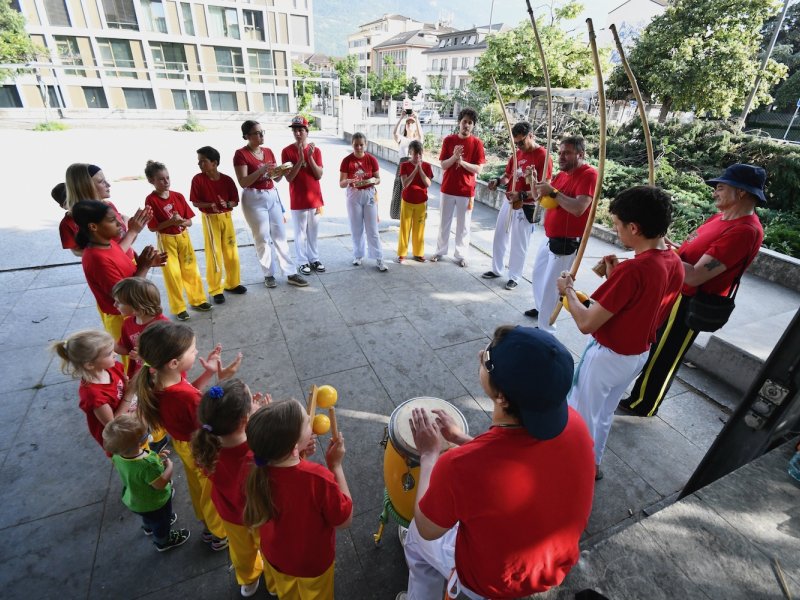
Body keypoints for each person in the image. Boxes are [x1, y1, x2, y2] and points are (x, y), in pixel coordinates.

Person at [397, 325, 595, 600]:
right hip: (552, 565)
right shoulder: (576, 424)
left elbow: (427, 528)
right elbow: (507, 462)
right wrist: (461, 438)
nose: (481, 354)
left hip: (491, 582)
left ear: (501, 397)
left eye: (487, 360)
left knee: (416, 539)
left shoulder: (458, 466)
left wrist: (430, 454)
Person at [556, 186, 684, 480]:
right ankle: (592, 463)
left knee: (582, 415)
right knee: (602, 414)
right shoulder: (673, 261)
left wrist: (568, 292)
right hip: (636, 354)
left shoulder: (635, 270)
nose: (617, 231)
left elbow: (587, 322)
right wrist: (614, 278)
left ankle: (573, 473)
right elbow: (642, 304)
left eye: (617, 225)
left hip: (609, 357)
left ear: (635, 227)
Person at [619, 164, 766, 417]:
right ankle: (640, 396)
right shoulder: (721, 218)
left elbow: (697, 275)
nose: (714, 193)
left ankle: (644, 403)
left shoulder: (744, 231)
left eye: (720, 187)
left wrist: (658, 251)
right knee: (655, 345)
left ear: (741, 192)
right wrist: (670, 249)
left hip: (692, 299)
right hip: (676, 290)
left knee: (666, 353)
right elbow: (690, 251)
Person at [135, 320, 242, 552]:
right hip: (201, 447)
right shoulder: (186, 399)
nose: (197, 353)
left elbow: (187, 392)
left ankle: (207, 526)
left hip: (184, 445)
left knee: (198, 487)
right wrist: (223, 382)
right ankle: (219, 533)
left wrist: (208, 374)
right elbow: (208, 419)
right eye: (193, 350)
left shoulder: (158, 381)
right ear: (174, 362)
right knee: (213, 490)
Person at [244, 399, 352, 599]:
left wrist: (299, 456)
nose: (311, 419)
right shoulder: (317, 478)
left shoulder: (257, 466)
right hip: (310, 563)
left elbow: (288, 479)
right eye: (307, 422)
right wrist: (335, 466)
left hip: (275, 555)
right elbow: (344, 519)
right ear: (293, 446)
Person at [191, 380, 269, 597]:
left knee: (241, 551)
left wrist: (252, 417)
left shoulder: (205, 446)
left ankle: (248, 579)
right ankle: (273, 582)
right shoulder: (257, 451)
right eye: (251, 404)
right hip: (260, 514)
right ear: (245, 420)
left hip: (230, 514)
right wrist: (264, 421)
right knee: (269, 548)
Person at [526, 136, 598, 333]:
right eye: (560, 153)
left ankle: (546, 329)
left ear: (580, 154)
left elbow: (579, 208)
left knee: (551, 287)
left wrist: (554, 192)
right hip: (550, 238)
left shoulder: (589, 174)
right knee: (538, 277)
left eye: (567, 153)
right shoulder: (561, 175)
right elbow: (538, 197)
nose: (561, 157)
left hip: (567, 242)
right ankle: (543, 311)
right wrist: (532, 180)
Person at [72, 200, 165, 348]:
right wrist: (143, 267)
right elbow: (126, 296)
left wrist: (146, 261)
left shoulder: (108, 244)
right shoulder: (96, 258)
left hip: (133, 313)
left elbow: (121, 263)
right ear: (93, 227)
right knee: (136, 358)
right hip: (122, 316)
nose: (119, 223)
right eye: (112, 220)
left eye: (117, 218)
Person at [233, 120, 308, 289]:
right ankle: (268, 274)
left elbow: (276, 178)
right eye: (257, 133)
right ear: (247, 136)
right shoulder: (241, 154)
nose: (261, 135)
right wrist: (261, 170)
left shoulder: (268, 151)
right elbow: (243, 182)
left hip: (271, 194)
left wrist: (282, 171)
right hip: (253, 197)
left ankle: (290, 272)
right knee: (262, 237)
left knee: (280, 234)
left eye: (262, 132)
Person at [103, 414, 190, 552]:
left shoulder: (118, 457)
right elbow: (160, 484)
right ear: (139, 442)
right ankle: (163, 541)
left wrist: (156, 458)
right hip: (155, 503)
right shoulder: (147, 465)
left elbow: (136, 471)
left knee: (149, 518)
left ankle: (149, 527)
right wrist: (169, 467)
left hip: (134, 500)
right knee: (161, 522)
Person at [483, 121, 553, 290]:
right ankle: (497, 269)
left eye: (522, 142)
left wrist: (522, 194)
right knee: (500, 235)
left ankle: (514, 276)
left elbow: (545, 187)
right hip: (510, 201)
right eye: (516, 143)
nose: (519, 146)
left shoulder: (543, 156)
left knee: (519, 243)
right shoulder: (517, 154)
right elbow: (508, 175)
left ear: (531, 136)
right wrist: (498, 181)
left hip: (526, 204)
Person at [144, 160, 212, 321]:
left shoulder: (178, 196)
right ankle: (179, 307)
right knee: (172, 274)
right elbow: (153, 227)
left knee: (190, 269)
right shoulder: (151, 200)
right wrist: (170, 222)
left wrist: (181, 221)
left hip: (183, 237)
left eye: (167, 178)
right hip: (166, 239)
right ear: (151, 181)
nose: (166, 182)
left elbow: (189, 221)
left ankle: (198, 299)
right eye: (161, 179)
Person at [51, 329, 135, 451]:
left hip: (129, 416)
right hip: (120, 437)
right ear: (90, 364)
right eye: (109, 353)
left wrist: (128, 385)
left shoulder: (111, 367)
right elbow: (113, 426)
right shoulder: (93, 395)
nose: (115, 354)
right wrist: (129, 395)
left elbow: (123, 385)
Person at [190, 146, 247, 304]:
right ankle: (216, 289)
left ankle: (232, 283)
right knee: (214, 254)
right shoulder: (198, 179)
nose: (200, 165)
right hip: (210, 219)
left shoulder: (227, 180)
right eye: (199, 162)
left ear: (214, 163)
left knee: (231, 251)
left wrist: (227, 203)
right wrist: (210, 205)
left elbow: (235, 201)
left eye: (203, 161)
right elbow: (195, 202)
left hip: (226, 217)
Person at [431, 107, 485, 267]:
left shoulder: (477, 143)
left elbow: (478, 169)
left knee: (464, 225)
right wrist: (454, 157)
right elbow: (443, 165)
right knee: (444, 222)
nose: (466, 125)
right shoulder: (449, 140)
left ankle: (461, 255)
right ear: (459, 123)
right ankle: (440, 251)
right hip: (448, 189)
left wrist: (461, 162)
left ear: (473, 125)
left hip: (466, 191)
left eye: (470, 122)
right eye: (464, 122)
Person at [61, 163, 140, 257]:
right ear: (86, 187)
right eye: (101, 181)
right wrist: (133, 231)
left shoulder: (108, 206)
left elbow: (123, 239)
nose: (108, 185)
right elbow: (80, 252)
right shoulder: (69, 222)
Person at [282, 115, 326, 276]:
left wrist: (309, 157)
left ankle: (314, 258)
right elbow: (288, 177)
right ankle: (302, 261)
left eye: (301, 130)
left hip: (315, 198)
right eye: (295, 130)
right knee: (299, 233)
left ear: (307, 131)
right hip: (298, 198)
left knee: (313, 232)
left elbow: (318, 175)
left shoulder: (316, 150)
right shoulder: (287, 151)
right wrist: (300, 160)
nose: (298, 133)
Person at [339, 132, 387, 271]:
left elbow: (378, 179)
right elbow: (341, 183)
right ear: (352, 144)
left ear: (366, 144)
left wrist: (373, 180)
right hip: (353, 194)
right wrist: (348, 181)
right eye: (356, 145)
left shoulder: (371, 159)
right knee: (356, 228)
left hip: (369, 193)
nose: (359, 147)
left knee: (372, 229)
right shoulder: (347, 160)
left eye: (361, 144)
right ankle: (358, 255)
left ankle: (379, 258)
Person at [112, 277, 170, 379]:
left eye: (119, 302)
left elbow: (171, 357)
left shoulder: (164, 326)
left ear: (137, 307)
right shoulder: (127, 323)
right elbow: (126, 349)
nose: (114, 305)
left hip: (160, 377)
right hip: (139, 375)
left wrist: (144, 358)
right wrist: (107, 344)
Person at [397, 140, 433, 263]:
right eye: (414, 153)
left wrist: (420, 170)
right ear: (410, 153)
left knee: (420, 229)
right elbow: (405, 184)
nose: (417, 156)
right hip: (407, 201)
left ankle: (418, 253)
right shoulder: (405, 165)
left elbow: (428, 183)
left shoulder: (427, 166)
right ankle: (402, 254)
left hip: (421, 203)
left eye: (419, 154)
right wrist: (414, 170)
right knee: (404, 228)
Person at [391, 112, 424, 219]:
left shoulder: (417, 141)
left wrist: (417, 119)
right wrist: (401, 117)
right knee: (400, 190)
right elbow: (395, 132)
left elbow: (421, 136)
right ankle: (401, 216)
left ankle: (413, 215)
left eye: (412, 123)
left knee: (414, 190)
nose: (410, 124)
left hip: (414, 167)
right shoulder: (402, 139)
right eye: (408, 123)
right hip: (402, 166)